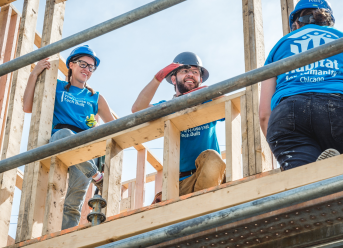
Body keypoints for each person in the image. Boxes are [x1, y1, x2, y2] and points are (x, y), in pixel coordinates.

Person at [259, 0, 343, 171]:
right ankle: (334, 170)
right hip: (338, 111)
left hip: (289, 114)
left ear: (296, 22)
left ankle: (309, 172)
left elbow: (264, 114)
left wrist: (282, 148)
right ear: (328, 20)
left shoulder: (280, 46)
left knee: (304, 184)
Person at [23, 45, 115, 229]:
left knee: (74, 204)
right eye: (83, 64)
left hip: (85, 149)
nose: (86, 69)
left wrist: (96, 127)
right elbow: (27, 107)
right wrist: (34, 74)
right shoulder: (56, 86)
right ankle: (95, 174)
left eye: (91, 67)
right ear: (71, 65)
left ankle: (67, 240)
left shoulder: (94, 97)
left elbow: (114, 127)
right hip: (60, 139)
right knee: (65, 134)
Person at [132, 52, 226, 201]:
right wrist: (158, 78)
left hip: (209, 177)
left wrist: (208, 92)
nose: (190, 75)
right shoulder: (167, 107)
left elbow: (231, 105)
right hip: (178, 184)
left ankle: (203, 210)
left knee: (213, 158)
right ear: (174, 78)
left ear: (200, 79)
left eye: (195, 72)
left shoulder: (208, 102)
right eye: (185, 71)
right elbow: (137, 109)